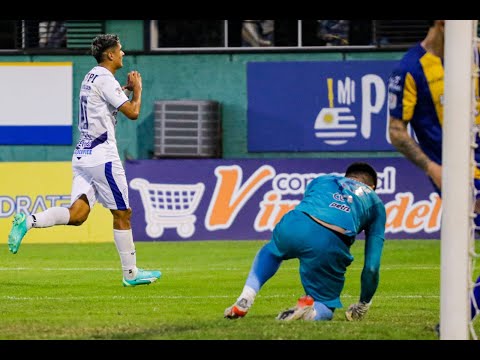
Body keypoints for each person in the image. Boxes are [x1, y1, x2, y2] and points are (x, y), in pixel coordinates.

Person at [7, 34, 161, 287]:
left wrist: (123, 90)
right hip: (103, 156)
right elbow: (133, 113)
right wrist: (138, 89)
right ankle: (131, 273)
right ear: (110, 55)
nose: (123, 54)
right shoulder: (105, 78)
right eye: (120, 50)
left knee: (77, 215)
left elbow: (101, 104)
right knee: (123, 213)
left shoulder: (91, 76)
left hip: (83, 155)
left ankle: (29, 220)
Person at [387, 20, 480, 324]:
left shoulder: (474, 56)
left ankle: (456, 318)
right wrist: (432, 168)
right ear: (444, 24)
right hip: (457, 176)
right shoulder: (410, 69)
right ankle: (458, 316)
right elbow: (397, 131)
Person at [224, 162, 386, 322]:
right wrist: (363, 304)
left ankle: (245, 298)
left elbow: (312, 204)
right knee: (324, 304)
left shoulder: (323, 179)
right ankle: (310, 313)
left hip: (295, 222)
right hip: (330, 240)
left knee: (271, 252)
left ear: (347, 177)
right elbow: (371, 268)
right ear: (372, 187)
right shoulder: (376, 203)